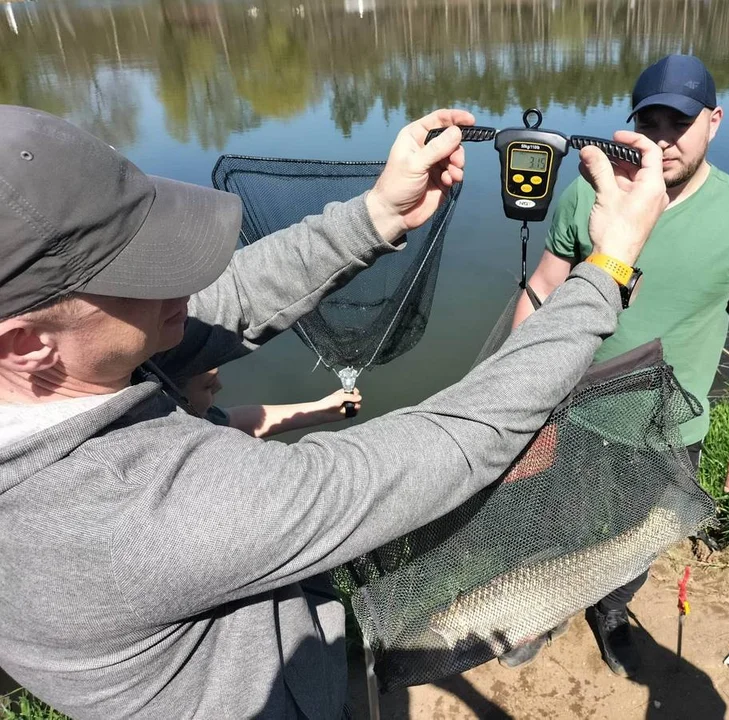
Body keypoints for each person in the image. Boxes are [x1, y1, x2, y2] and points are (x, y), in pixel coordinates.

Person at [0, 103, 669, 719]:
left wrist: (379, 214)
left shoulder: (63, 369)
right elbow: (454, 442)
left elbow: (220, 305)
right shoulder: (134, 519)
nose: (180, 282)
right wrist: (605, 273)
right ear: (26, 344)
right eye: (140, 274)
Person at [504, 54, 729, 675]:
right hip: (577, 411)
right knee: (556, 523)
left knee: (637, 539)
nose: (663, 138)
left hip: (672, 428)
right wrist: (515, 398)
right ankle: (544, 612)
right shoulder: (591, 194)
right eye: (650, 120)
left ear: (713, 121)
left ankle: (610, 615)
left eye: (679, 122)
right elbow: (543, 288)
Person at [181, 366, 361, 437]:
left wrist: (321, 410)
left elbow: (233, 421)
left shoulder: (192, 414)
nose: (219, 386)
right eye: (208, 385)